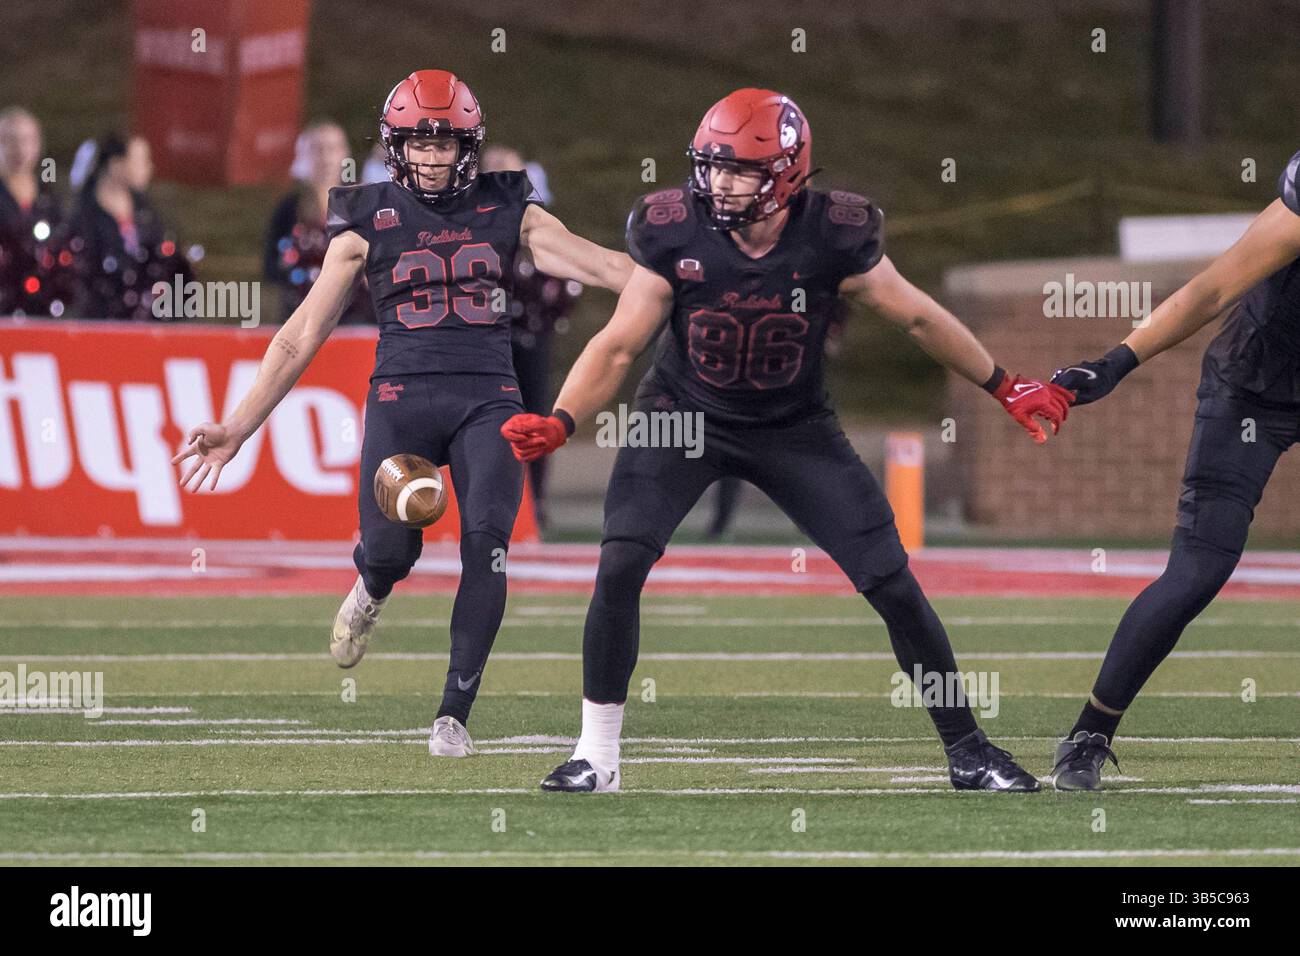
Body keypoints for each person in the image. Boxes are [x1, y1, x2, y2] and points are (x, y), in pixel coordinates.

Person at [502, 88, 1070, 793]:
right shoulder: (671, 228)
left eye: (739, 170)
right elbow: (619, 345)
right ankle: (597, 755)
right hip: (683, 418)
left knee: (890, 581)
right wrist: (563, 418)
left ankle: (969, 750)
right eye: (711, 166)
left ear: (788, 175)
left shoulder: (837, 231)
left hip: (794, 428)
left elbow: (918, 318)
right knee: (619, 562)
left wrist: (1004, 383)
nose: (719, 183)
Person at [172, 69, 633, 757]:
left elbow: (605, 268)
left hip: (490, 398)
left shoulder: (511, 208)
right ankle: (371, 585)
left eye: (445, 142)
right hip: (402, 399)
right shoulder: (365, 218)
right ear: (395, 145)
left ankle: (453, 713)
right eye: (418, 141)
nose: (431, 155)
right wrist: (239, 425)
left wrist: (684, 279)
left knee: (488, 544)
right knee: (392, 548)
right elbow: (301, 333)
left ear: (468, 146)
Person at [1048, 150, 1300, 790]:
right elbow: (1215, 287)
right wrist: (1115, 363)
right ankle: (1090, 732)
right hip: (1257, 388)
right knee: (1198, 570)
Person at [480, 144, 582, 528]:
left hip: (530, 340)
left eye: (505, 167)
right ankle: (489, 507)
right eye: (489, 167)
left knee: (536, 416)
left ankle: (534, 503)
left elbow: (568, 279)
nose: (496, 174)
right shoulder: (467, 221)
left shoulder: (538, 222)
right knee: (486, 421)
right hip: (484, 342)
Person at [68, 133, 192, 320]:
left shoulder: (146, 211)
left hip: (144, 318)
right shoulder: (85, 217)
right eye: (141, 161)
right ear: (116, 165)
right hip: (100, 318)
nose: (149, 168)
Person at [264, 121, 374, 325]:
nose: (325, 157)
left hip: (355, 317)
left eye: (332, 149)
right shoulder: (290, 207)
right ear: (303, 155)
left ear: (344, 154)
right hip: (302, 316)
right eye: (317, 149)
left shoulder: (362, 203)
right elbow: (271, 265)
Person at [0, 107, 76, 316]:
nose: (19, 149)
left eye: (26, 140)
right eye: (9, 139)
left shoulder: (48, 198)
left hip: (44, 311)